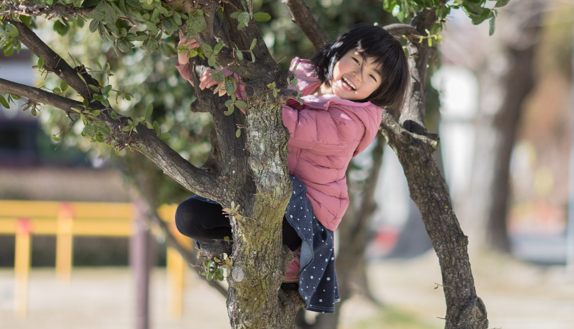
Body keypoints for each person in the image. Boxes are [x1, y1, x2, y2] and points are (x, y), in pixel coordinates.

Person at [174, 25, 409, 313]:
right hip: (266, 195)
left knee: (267, 207)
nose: (357, 75)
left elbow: (287, 126)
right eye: (357, 60)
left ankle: (292, 258)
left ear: (378, 91)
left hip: (302, 220)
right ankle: (252, 249)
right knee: (189, 217)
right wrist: (192, 63)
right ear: (338, 51)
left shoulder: (351, 123)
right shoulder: (303, 81)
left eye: (372, 75)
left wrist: (236, 88)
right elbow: (233, 92)